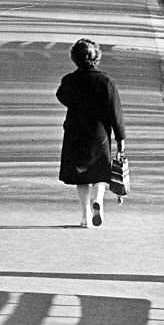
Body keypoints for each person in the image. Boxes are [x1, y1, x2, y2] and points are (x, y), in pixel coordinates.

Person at [56, 39, 126, 228]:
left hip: (76, 131)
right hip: (99, 133)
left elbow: (61, 96)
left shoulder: (69, 80)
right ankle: (99, 201)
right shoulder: (106, 82)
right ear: (96, 58)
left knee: (81, 176)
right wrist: (120, 138)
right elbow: (115, 112)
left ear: (74, 58)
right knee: (100, 172)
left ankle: (86, 214)